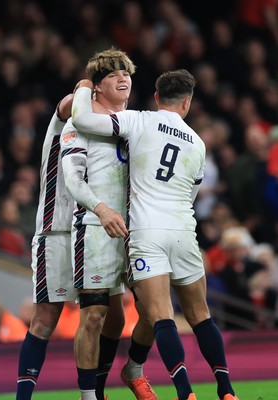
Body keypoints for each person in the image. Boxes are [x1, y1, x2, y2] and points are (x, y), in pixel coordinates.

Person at [70, 69, 239, 400]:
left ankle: (185, 393)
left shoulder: (140, 120)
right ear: (187, 102)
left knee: (161, 316)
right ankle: (226, 390)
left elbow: (84, 120)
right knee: (201, 315)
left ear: (158, 98)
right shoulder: (199, 144)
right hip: (184, 230)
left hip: (147, 231)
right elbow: (191, 196)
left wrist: (85, 87)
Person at [15, 89, 146, 400]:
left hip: (93, 233)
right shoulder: (68, 121)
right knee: (46, 319)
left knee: (115, 317)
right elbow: (69, 100)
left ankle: (95, 392)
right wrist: (91, 84)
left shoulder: (112, 133)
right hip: (57, 229)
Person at [60, 48, 156, 400]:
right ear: (96, 88)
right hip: (96, 229)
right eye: (114, 74)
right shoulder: (78, 124)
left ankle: (132, 369)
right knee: (96, 317)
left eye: (126, 73)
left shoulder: (133, 124)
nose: (123, 78)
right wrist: (101, 209)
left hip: (135, 231)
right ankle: (89, 397)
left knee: (150, 310)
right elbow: (73, 180)